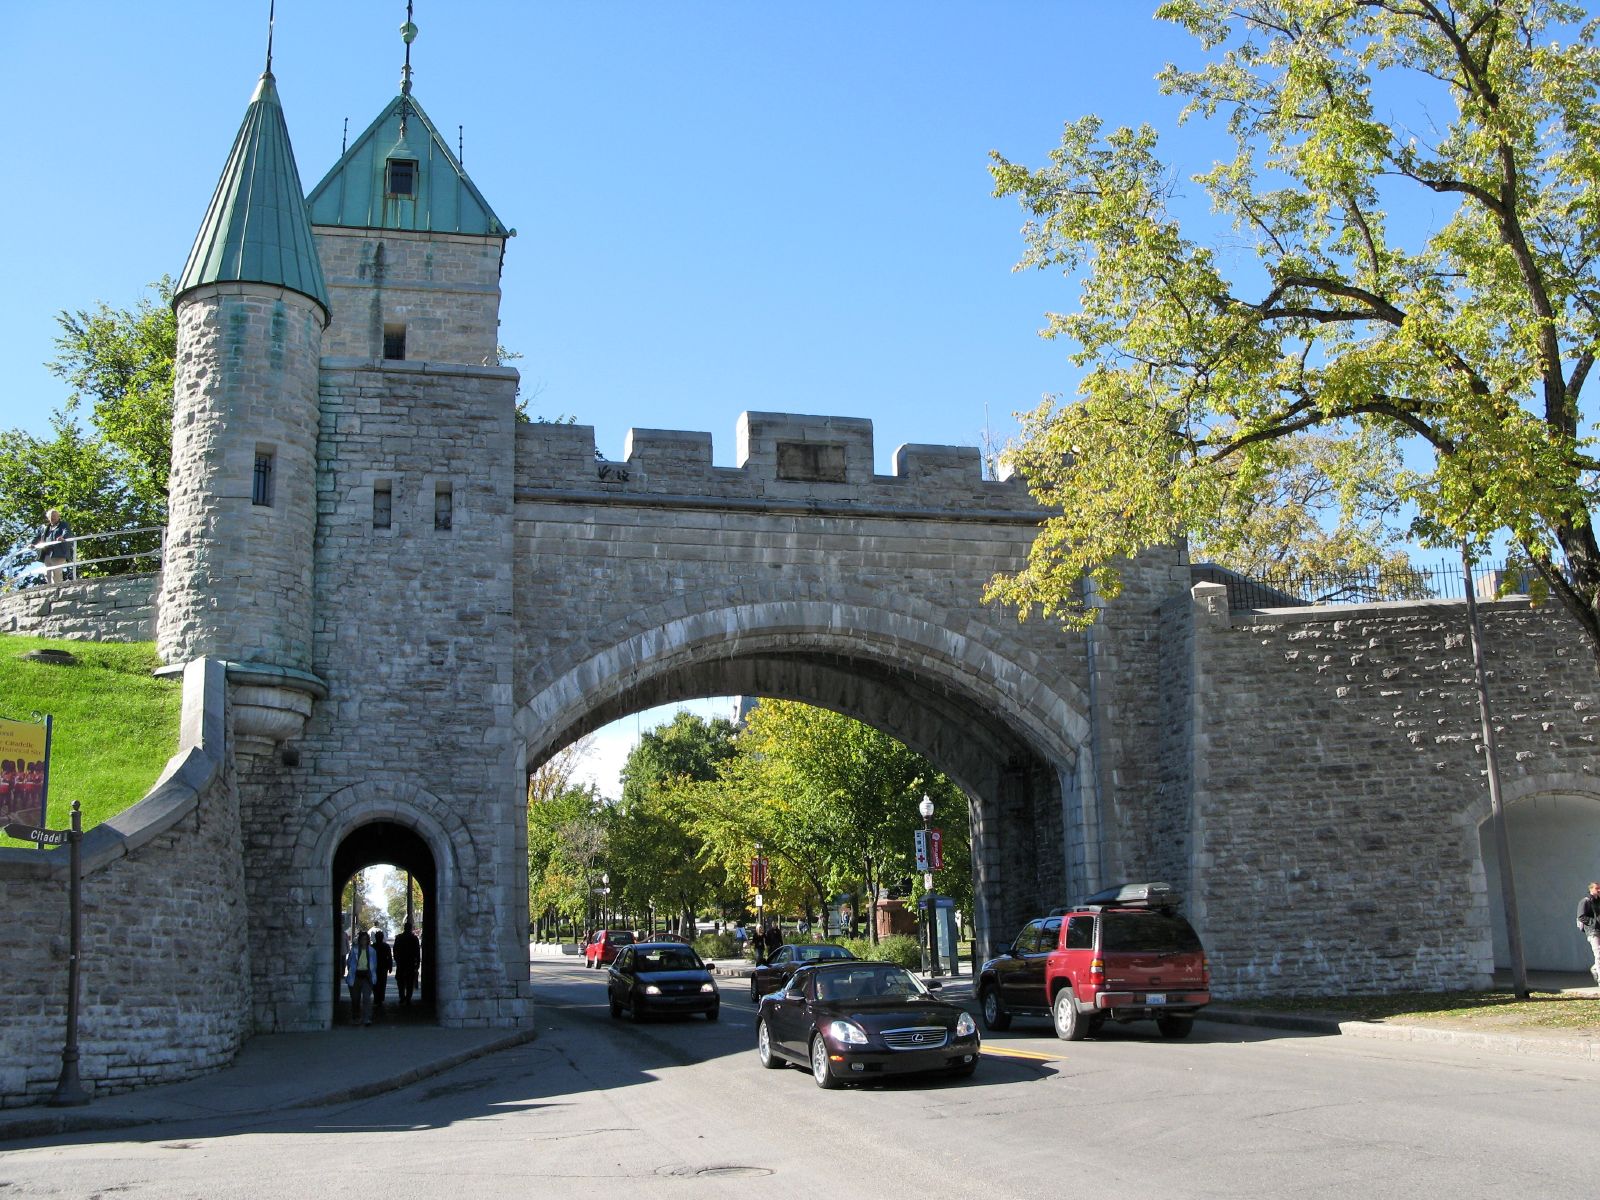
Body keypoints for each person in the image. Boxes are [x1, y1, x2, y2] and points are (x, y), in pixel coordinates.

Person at [32, 509, 73, 585]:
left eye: (54, 516)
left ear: (58, 516)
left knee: (56, 573)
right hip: (47, 553)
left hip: (59, 553)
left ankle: (57, 588)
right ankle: (50, 588)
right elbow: (37, 537)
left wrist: (62, 537)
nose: (53, 517)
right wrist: (32, 544)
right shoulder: (45, 528)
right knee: (47, 573)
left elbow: (67, 532)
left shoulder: (63, 524)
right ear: (48, 518)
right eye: (51, 516)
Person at [345, 929, 377, 1026]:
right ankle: (356, 1017)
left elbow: (374, 964)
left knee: (367, 998)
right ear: (359, 940)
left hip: (366, 977)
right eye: (362, 939)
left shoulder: (372, 951)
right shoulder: (354, 950)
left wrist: (372, 975)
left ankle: (367, 1018)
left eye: (365, 939)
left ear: (368, 940)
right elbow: (349, 962)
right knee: (355, 998)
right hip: (356, 977)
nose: (363, 941)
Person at [395, 918, 421, 1007]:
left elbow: (395, 950)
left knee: (401, 981)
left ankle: (402, 997)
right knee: (410, 982)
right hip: (410, 963)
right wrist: (417, 963)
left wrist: (397, 960)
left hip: (401, 962)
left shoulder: (398, 938)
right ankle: (408, 998)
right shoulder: (414, 939)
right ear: (410, 928)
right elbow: (417, 952)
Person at [1578, 881, 1600, 985]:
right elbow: (1581, 917)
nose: (1599, 890)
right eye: (1597, 888)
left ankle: (1595, 968)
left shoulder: (1599, 901)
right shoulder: (1585, 901)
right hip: (1593, 931)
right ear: (1591, 889)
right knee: (1598, 954)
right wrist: (1594, 923)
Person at [372, 928, 394, 1013]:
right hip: (380, 968)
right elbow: (389, 958)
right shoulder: (384, 946)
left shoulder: (374, 946)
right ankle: (379, 998)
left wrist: (390, 966)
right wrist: (390, 966)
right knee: (380, 983)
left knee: (378, 984)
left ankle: (378, 998)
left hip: (379, 968)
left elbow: (389, 957)